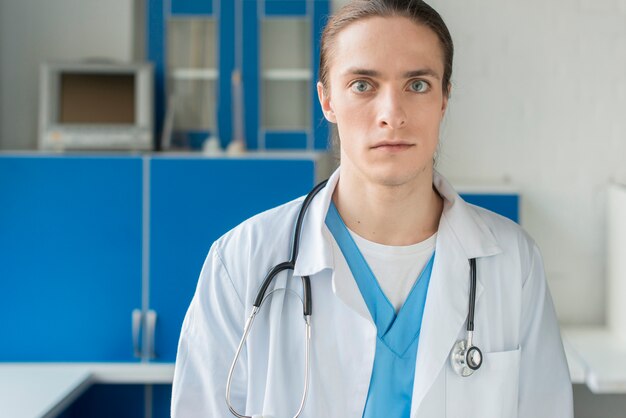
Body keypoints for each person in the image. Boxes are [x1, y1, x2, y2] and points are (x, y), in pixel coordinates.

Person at [171, 0, 574, 417]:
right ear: (327, 101)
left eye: (417, 85)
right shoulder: (241, 263)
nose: (392, 115)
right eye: (363, 84)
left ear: (444, 99)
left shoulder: (512, 262)